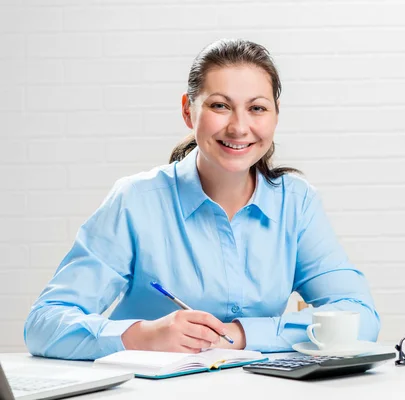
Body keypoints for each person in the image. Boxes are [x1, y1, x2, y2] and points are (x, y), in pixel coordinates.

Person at [23, 39, 381, 361]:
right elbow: (44, 323)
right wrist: (142, 335)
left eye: (257, 108)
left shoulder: (296, 203)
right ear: (187, 110)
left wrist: (241, 335)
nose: (240, 128)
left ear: (275, 114)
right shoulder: (136, 201)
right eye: (220, 106)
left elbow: (359, 316)